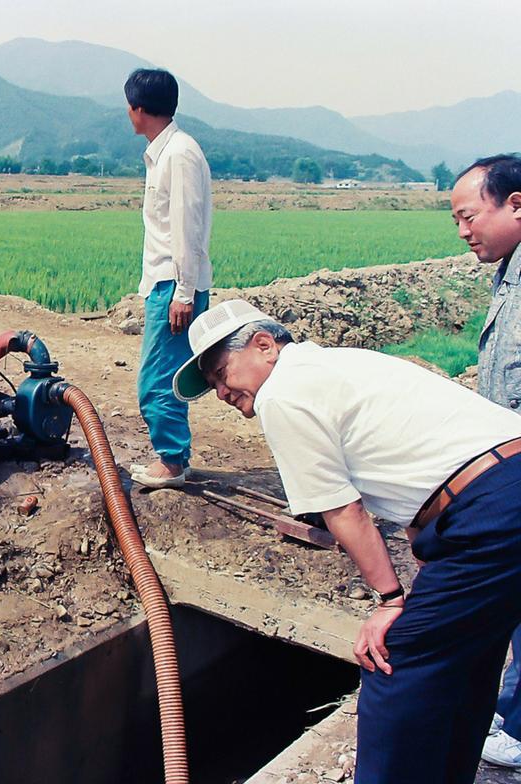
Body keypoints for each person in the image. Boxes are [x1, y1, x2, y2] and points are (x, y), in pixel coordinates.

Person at [172, 298, 521, 784]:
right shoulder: (336, 365)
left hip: (494, 508)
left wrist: (390, 601)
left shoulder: (283, 394)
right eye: (211, 385)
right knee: (468, 655)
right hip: (502, 491)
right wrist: (423, 572)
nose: (221, 392)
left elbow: (342, 510)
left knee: (392, 660)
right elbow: (421, 490)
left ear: (264, 345)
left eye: (219, 372)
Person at [451, 153, 521, 768]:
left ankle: (520, 733)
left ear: (516, 204)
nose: (464, 231)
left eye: (470, 216)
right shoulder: (508, 274)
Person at [124, 68, 212, 488]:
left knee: (157, 378)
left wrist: (182, 292)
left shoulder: (178, 154)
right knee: (167, 374)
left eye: (130, 105)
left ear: (139, 109)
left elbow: (186, 228)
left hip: (173, 287)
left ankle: (172, 462)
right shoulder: (168, 151)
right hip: (167, 284)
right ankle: (174, 455)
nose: (128, 112)